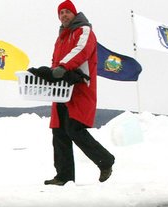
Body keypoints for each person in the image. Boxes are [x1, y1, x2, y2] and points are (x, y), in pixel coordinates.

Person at [43, 0, 115, 186]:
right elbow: (55, 60)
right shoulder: (60, 38)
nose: (64, 15)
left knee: (74, 129)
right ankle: (64, 177)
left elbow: (81, 50)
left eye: (67, 12)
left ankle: (105, 161)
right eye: (61, 13)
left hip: (80, 88)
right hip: (62, 89)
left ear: (74, 14)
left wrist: (62, 67)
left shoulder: (84, 30)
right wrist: (53, 74)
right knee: (59, 132)